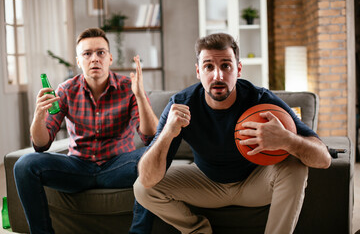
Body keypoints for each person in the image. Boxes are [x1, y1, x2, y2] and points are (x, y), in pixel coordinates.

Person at [134, 33, 332, 234]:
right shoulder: (181, 104)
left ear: (238, 69)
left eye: (226, 66)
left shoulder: (261, 100)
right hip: (205, 182)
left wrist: (287, 140)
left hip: (255, 182)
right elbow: (148, 179)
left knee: (295, 167)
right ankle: (198, 231)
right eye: (209, 66)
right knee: (142, 187)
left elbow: (324, 159)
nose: (218, 75)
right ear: (198, 71)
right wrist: (167, 133)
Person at [14, 27, 157, 234]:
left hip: (118, 166)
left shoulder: (129, 87)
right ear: (79, 61)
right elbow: (41, 144)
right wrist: (38, 115)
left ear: (110, 59)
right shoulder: (65, 90)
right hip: (77, 167)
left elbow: (150, 136)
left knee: (155, 156)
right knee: (24, 165)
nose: (94, 59)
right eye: (87, 54)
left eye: (100, 53)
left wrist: (141, 96)